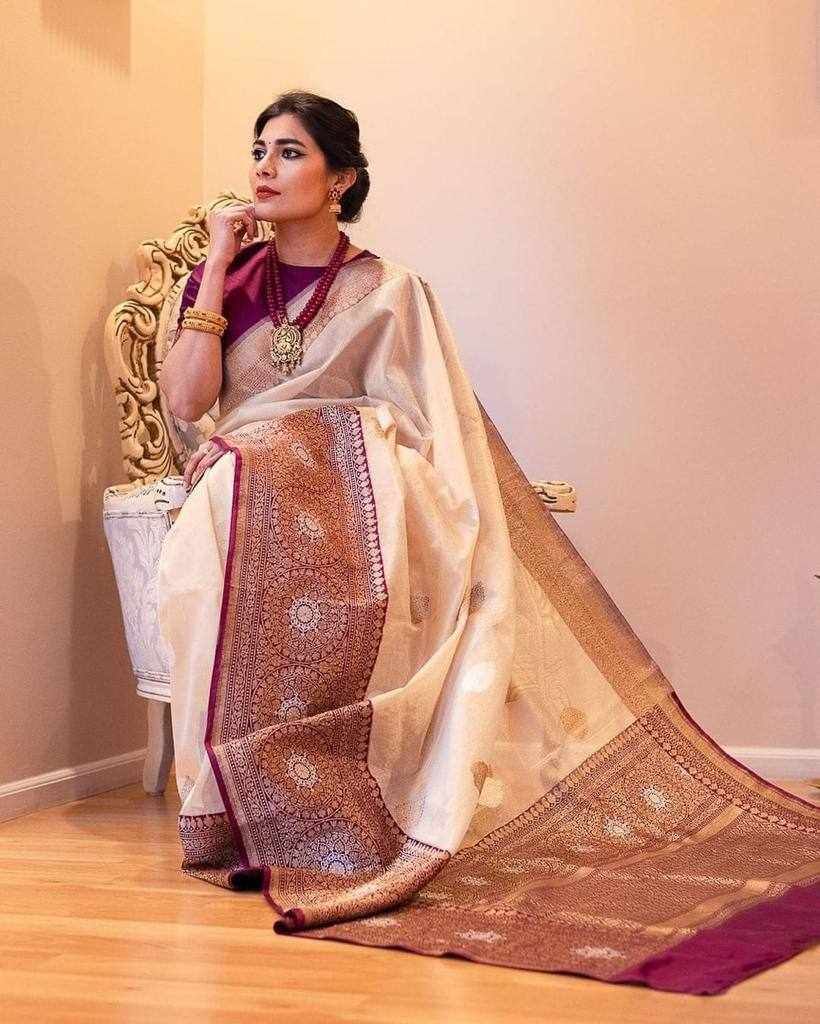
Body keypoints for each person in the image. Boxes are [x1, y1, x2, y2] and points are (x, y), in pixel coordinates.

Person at [156, 91, 819, 995]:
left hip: (362, 496)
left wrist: (323, 445)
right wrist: (215, 267)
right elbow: (188, 404)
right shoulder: (224, 283)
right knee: (239, 489)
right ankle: (257, 813)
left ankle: (344, 809)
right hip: (246, 491)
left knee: (301, 474)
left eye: (291, 152)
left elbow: (420, 417)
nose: (264, 168)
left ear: (341, 178)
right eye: (259, 149)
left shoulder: (391, 290)